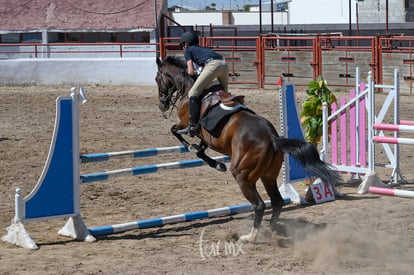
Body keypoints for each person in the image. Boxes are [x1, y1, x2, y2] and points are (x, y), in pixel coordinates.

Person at [179, 31, 229, 137]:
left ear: (185, 44)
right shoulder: (203, 49)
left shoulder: (188, 50)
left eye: (183, 45)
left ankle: (192, 126)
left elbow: (191, 72)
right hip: (223, 63)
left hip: (213, 65)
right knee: (225, 93)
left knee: (192, 92)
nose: (183, 47)